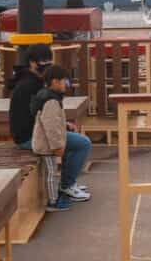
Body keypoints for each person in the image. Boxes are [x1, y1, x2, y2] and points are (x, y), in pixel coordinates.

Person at [31, 64, 92, 208]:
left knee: (53, 172)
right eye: (65, 81)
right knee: (52, 174)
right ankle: (54, 201)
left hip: (46, 142)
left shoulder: (48, 95)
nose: (67, 84)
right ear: (55, 82)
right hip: (46, 145)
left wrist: (65, 125)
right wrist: (57, 146)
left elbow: (52, 120)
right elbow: (51, 127)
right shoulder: (51, 101)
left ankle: (66, 185)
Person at [7, 44, 53, 148]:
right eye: (44, 61)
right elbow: (39, 115)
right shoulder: (30, 85)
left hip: (26, 136)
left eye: (49, 60)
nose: (47, 64)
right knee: (82, 143)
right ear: (32, 62)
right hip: (29, 138)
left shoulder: (29, 80)